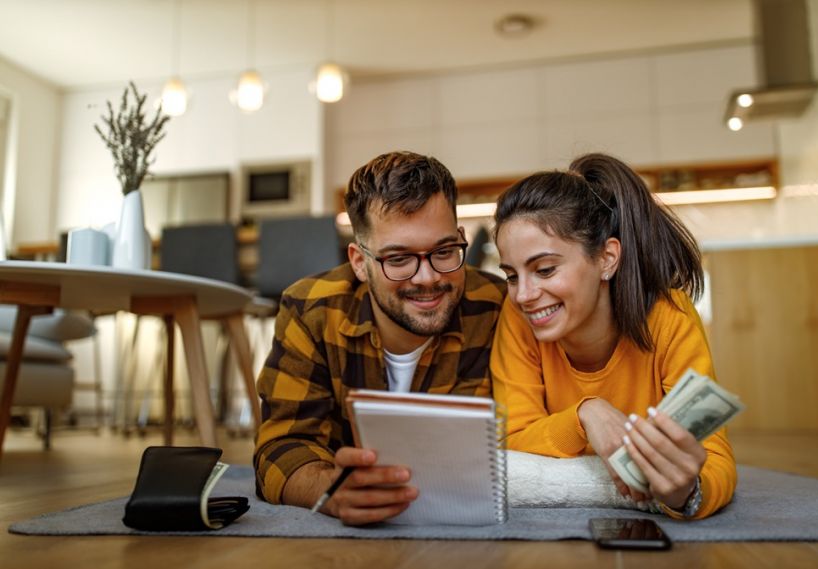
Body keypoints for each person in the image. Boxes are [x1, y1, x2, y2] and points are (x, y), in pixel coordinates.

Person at [254, 151, 506, 525]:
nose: (426, 278)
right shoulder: (311, 310)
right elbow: (280, 446)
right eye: (399, 259)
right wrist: (332, 490)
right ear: (359, 261)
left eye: (443, 251)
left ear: (460, 239)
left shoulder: (498, 308)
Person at [490, 152, 736, 520]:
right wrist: (586, 414)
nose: (523, 294)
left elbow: (714, 459)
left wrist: (686, 490)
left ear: (607, 258)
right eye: (511, 275)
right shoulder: (518, 317)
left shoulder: (670, 317)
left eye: (544, 269)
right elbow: (510, 439)